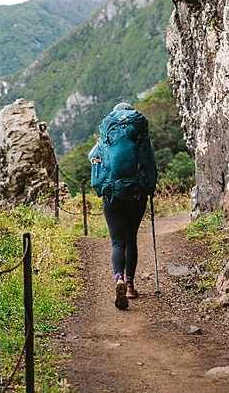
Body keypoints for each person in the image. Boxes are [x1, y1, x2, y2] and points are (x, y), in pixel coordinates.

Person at [88, 102, 157, 310]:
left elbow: (92, 156)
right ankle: (129, 285)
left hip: (112, 193)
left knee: (117, 241)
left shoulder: (107, 135)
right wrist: (150, 187)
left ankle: (117, 278)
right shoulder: (139, 134)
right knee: (131, 238)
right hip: (136, 193)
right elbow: (149, 162)